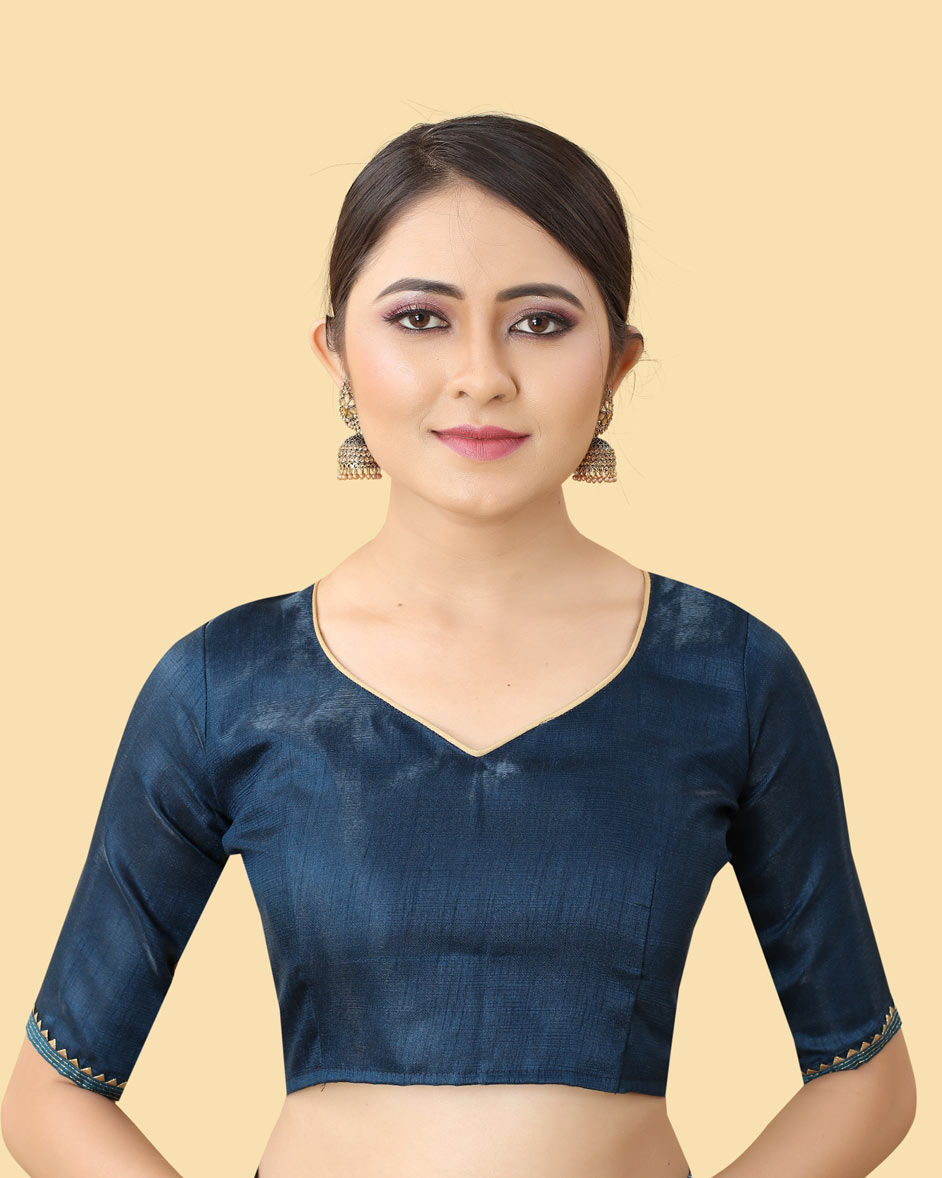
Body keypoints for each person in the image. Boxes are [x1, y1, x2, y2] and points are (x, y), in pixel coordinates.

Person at [1, 114, 916, 1178]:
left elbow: (867, 1075)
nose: (481, 375)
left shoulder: (728, 672)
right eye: (421, 317)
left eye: (540, 322)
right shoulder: (224, 682)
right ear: (336, 352)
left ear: (618, 363)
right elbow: (51, 1091)